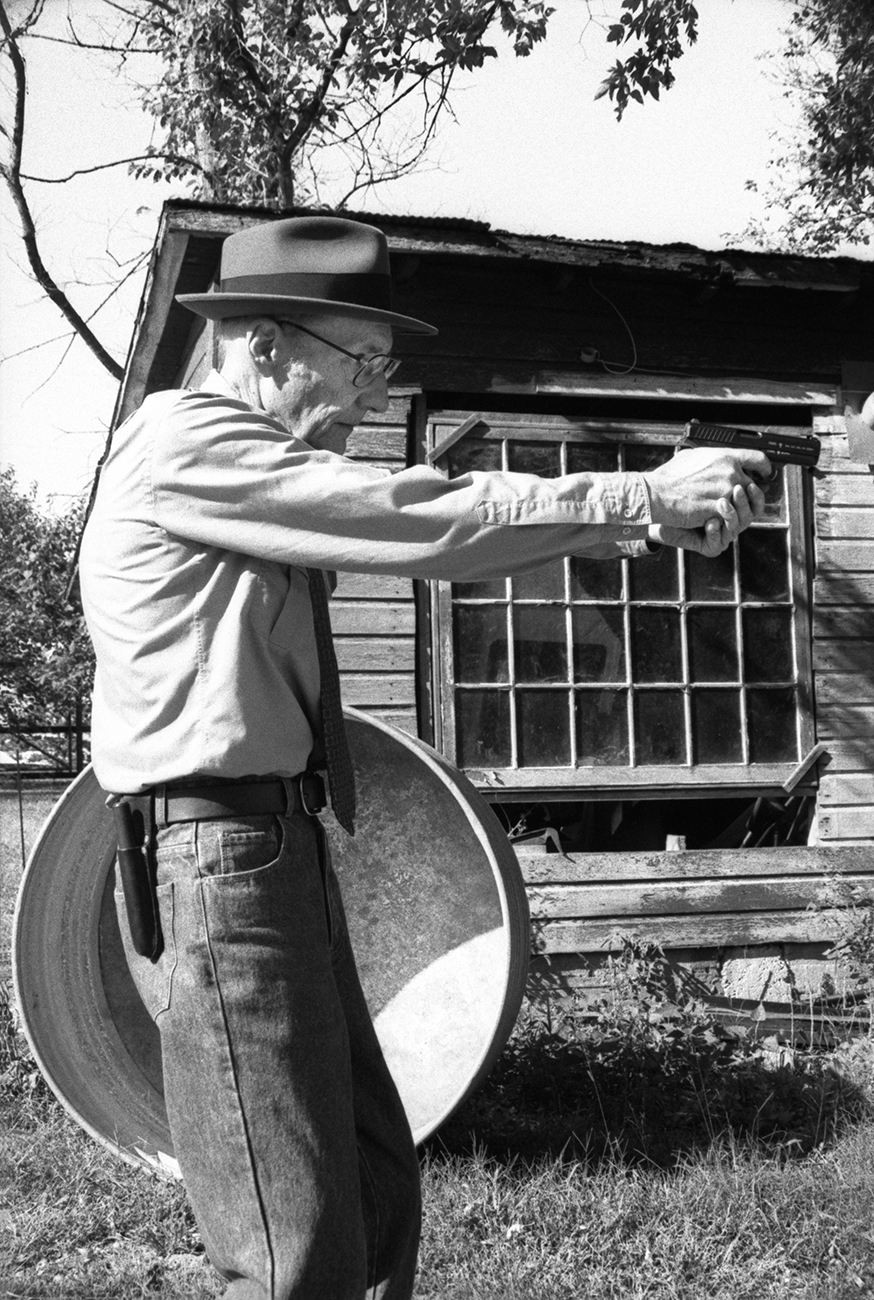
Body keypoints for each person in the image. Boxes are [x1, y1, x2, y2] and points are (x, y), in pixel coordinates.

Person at [78, 215, 770, 1300]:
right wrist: (635, 494)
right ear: (262, 345)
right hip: (216, 858)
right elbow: (420, 519)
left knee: (367, 1180)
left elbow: (430, 526)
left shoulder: (244, 468)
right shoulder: (190, 442)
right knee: (286, 1234)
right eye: (358, 362)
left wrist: (625, 529)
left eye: (383, 367)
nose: (369, 394)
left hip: (264, 848)